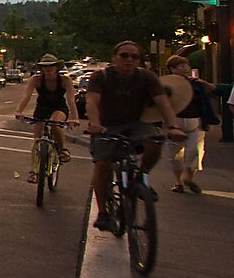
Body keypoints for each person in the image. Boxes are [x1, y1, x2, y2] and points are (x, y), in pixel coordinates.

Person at [85, 41, 185, 231]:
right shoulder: (101, 77)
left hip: (136, 123)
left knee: (155, 142)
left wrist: (173, 127)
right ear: (115, 57)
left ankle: (141, 175)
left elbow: (163, 103)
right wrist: (95, 124)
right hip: (107, 125)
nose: (129, 60)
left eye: (134, 56)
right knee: (102, 165)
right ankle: (103, 213)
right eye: (124, 55)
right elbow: (92, 102)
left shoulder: (147, 77)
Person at [14, 53, 79, 183]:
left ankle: (62, 150)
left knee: (55, 124)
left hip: (59, 107)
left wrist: (75, 118)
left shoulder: (65, 80)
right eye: (45, 67)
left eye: (51, 66)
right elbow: (26, 96)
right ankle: (33, 172)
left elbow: (71, 100)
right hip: (42, 108)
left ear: (56, 67)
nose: (48, 69)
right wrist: (19, 111)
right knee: (37, 140)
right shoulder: (36, 79)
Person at [166, 56, 214, 194]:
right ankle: (178, 182)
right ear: (172, 69)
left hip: (195, 121)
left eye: (185, 65)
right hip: (175, 121)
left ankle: (188, 178)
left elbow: (208, 96)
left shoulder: (195, 83)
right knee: (174, 155)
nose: (183, 68)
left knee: (194, 151)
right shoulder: (167, 84)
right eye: (179, 66)